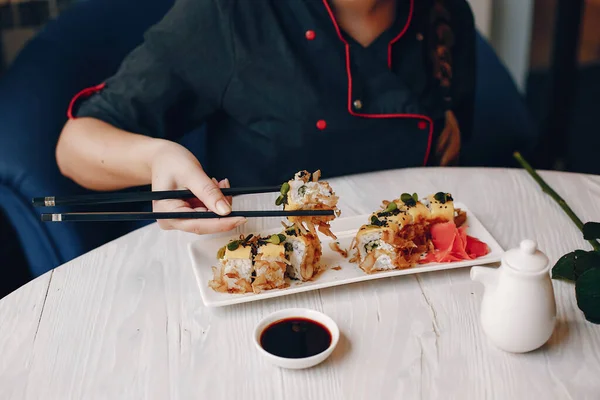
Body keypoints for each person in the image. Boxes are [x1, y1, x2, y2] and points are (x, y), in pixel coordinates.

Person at [55, 0, 476, 235]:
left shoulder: (447, 13)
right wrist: (156, 159)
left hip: (409, 262)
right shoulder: (231, 14)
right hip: (268, 271)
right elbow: (76, 146)